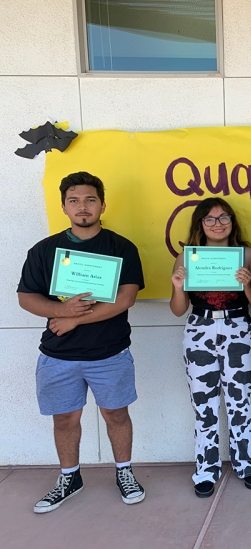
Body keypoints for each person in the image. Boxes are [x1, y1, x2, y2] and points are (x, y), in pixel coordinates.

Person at [17, 172, 146, 513]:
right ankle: (69, 477)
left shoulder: (121, 247)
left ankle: (124, 472)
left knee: (116, 415)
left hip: (110, 353)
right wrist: (61, 309)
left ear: (102, 204)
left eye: (90, 199)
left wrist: (73, 318)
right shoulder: (44, 250)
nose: (82, 207)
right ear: (64, 207)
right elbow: (26, 298)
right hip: (58, 356)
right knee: (64, 420)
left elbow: (125, 299)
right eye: (74, 200)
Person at [170, 197, 251, 498]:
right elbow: (177, 309)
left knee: (240, 399)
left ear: (232, 223)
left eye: (224, 218)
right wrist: (176, 286)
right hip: (200, 328)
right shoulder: (188, 257)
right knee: (204, 402)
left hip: (237, 328)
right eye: (209, 219)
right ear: (200, 224)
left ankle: (246, 463)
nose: (217, 224)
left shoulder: (246, 255)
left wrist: (247, 284)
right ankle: (206, 468)